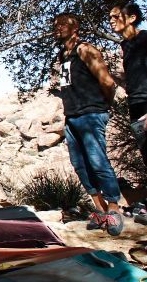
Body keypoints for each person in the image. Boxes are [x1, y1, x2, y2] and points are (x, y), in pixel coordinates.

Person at [53, 13, 124, 235]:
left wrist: (102, 106)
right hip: (72, 116)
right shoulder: (63, 55)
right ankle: (99, 209)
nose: (58, 27)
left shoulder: (85, 49)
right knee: (80, 164)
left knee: (97, 161)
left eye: (63, 24)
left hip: (91, 114)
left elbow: (107, 82)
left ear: (76, 28)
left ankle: (114, 208)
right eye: (56, 24)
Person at [109, 2, 147, 163]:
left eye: (116, 16)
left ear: (132, 18)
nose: (111, 20)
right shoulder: (125, 44)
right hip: (135, 104)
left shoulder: (145, 39)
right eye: (110, 17)